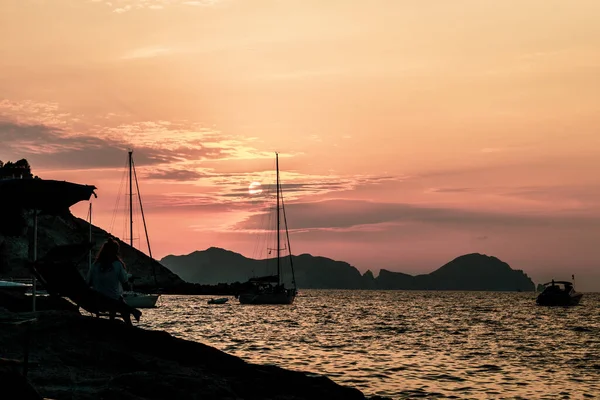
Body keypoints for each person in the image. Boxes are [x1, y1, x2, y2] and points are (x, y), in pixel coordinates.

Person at [87, 238, 132, 325]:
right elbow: (124, 282)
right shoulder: (117, 265)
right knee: (124, 309)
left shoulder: (95, 265)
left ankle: (109, 320)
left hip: (97, 301)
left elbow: (88, 282)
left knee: (111, 297)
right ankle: (130, 329)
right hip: (112, 301)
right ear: (116, 252)